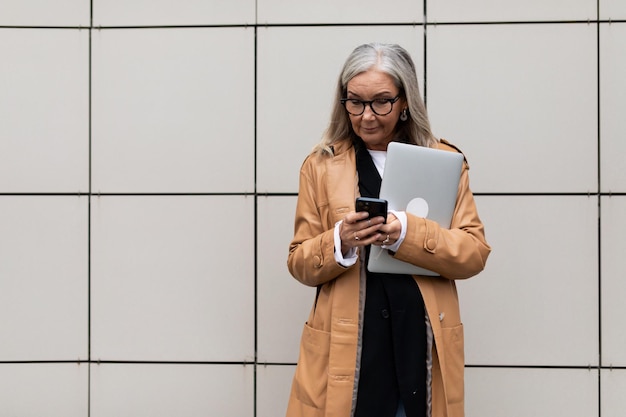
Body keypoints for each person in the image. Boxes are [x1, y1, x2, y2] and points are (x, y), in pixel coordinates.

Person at [285, 43, 491, 417]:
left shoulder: (444, 162)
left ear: (405, 101)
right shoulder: (320, 165)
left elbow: (474, 253)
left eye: (381, 102)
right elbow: (299, 261)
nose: (366, 116)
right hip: (349, 348)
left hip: (419, 343)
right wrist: (340, 241)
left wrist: (405, 233)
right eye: (355, 102)